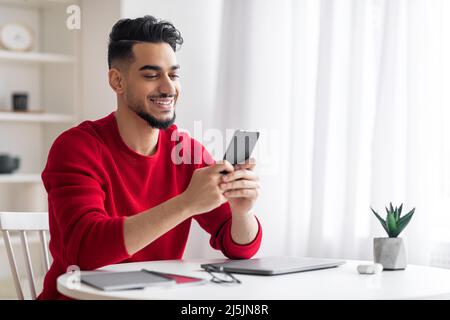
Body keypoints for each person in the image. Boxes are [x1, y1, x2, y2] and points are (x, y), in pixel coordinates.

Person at [37, 15, 262, 300]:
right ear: (117, 81)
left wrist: (242, 213)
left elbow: (240, 248)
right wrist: (186, 203)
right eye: (152, 75)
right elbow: (85, 251)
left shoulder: (187, 152)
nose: (169, 88)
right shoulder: (76, 147)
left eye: (174, 74)